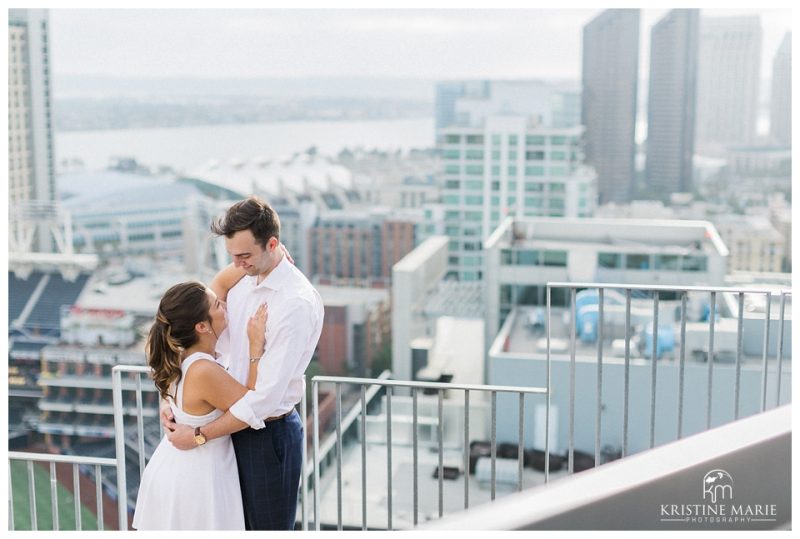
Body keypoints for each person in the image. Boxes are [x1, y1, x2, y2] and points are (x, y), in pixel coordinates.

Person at [163, 196, 324, 531]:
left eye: (245, 255)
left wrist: (198, 435)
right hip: (228, 430)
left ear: (273, 244)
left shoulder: (294, 304)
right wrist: (173, 403)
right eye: (232, 256)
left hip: (267, 437)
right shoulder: (244, 279)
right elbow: (196, 324)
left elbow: (263, 399)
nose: (238, 263)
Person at [132, 281, 268, 530]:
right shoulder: (203, 370)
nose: (224, 305)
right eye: (217, 304)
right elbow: (252, 403)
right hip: (197, 480)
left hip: (177, 468)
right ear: (202, 326)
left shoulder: (181, 356)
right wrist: (255, 347)